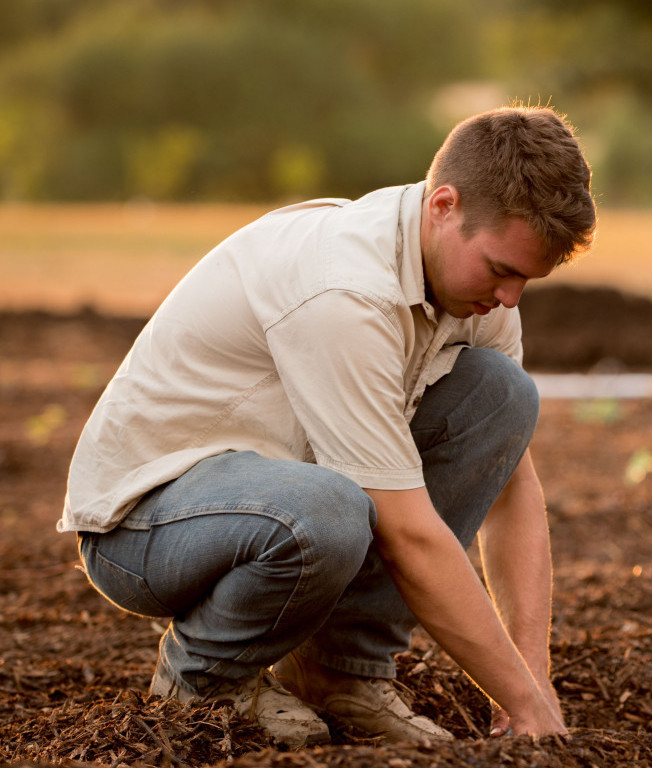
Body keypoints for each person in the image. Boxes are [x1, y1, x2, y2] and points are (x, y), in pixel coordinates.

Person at [59, 106, 596, 747]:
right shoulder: (344, 290)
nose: (510, 298)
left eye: (526, 279)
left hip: (278, 493)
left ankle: (340, 672)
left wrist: (533, 682)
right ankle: (204, 679)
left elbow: (510, 485)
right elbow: (407, 533)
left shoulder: (475, 292)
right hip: (144, 524)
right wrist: (518, 700)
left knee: (501, 395)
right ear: (443, 206)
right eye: (502, 269)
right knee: (330, 510)